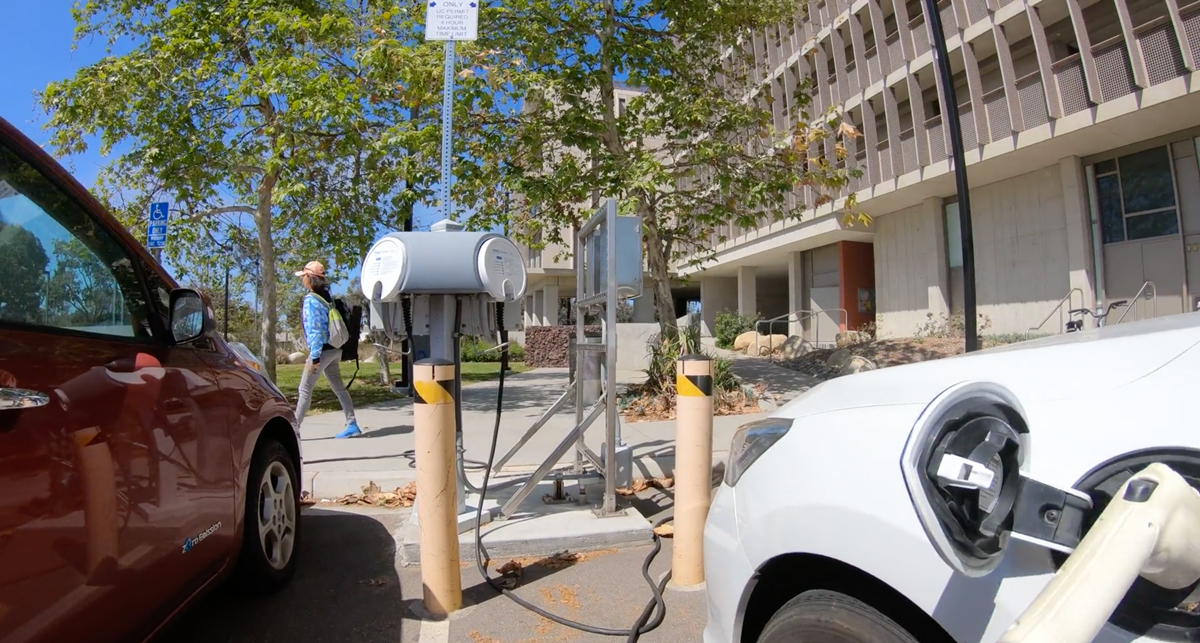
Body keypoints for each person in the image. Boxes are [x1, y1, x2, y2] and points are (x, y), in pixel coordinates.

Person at [294, 261, 361, 438]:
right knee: (339, 387)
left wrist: (314, 357)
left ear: (309, 278)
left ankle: (293, 430)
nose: (302, 281)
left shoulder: (311, 300)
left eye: (303, 277)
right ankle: (352, 423)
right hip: (335, 349)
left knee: (304, 389)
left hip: (321, 352)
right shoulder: (326, 297)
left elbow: (314, 329)